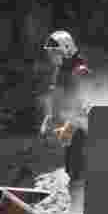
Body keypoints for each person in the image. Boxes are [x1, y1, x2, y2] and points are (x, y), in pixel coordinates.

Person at [39, 30, 91, 194]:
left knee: (76, 165)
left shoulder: (76, 67)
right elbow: (57, 98)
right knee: (71, 164)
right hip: (69, 122)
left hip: (77, 123)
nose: (51, 57)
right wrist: (49, 118)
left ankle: (79, 200)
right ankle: (76, 193)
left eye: (54, 52)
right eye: (50, 53)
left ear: (66, 49)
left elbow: (82, 74)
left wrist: (67, 125)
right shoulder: (61, 70)